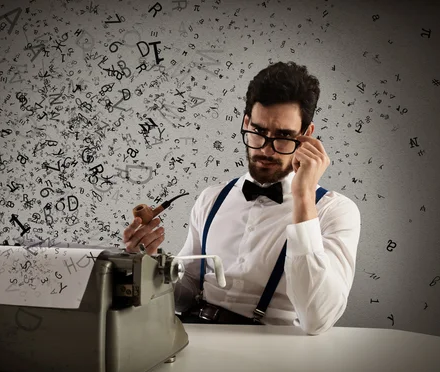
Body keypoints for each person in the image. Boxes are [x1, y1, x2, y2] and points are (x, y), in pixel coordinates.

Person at [122, 61, 361, 335]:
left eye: (283, 137)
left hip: (274, 357)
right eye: (258, 132)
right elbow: (185, 295)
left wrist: (304, 197)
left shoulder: (336, 211)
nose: (267, 150)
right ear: (246, 122)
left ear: (307, 136)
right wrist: (150, 260)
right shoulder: (211, 199)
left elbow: (318, 320)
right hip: (195, 337)